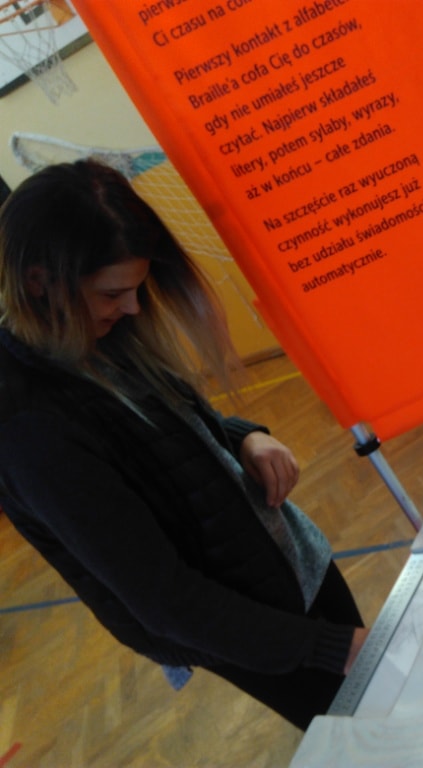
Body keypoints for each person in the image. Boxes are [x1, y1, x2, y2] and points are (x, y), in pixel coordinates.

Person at [0, 159, 367, 731]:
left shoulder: (98, 334)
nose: (132, 308)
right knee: (361, 732)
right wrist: (328, 647)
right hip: (247, 627)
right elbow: (165, 599)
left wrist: (244, 439)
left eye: (137, 289)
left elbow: (172, 436)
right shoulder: (29, 429)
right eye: (113, 292)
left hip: (289, 562)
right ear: (38, 282)